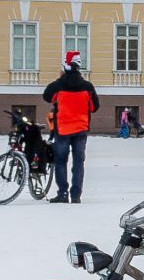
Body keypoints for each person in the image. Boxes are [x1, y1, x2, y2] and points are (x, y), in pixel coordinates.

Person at [41, 51, 100, 203]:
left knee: (61, 161)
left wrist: (60, 81)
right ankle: (76, 195)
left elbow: (47, 96)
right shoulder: (88, 86)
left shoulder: (59, 85)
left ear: (66, 66)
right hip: (81, 129)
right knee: (78, 162)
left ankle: (62, 193)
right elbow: (94, 107)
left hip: (63, 129)